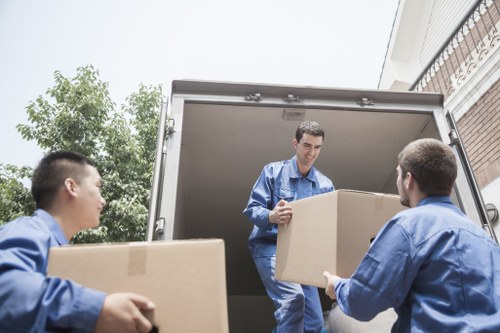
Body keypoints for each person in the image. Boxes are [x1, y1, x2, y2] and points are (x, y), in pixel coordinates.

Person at [323, 138, 500, 332]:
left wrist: (337, 286)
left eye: (398, 174)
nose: (397, 180)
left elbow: (361, 302)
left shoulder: (407, 226)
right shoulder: (484, 239)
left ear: (409, 180)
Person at [0, 151, 155, 333]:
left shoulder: (62, 252)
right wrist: (97, 310)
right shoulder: (28, 229)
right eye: (98, 186)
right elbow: (6, 286)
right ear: (72, 187)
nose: (103, 200)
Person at [243, 121, 334, 333]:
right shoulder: (273, 172)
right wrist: (272, 216)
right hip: (270, 248)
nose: (312, 152)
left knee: (314, 324)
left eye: (317, 147)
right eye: (307, 145)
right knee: (294, 299)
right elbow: (252, 209)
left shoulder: (325, 185)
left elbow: (328, 227)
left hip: (303, 256)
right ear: (295, 143)